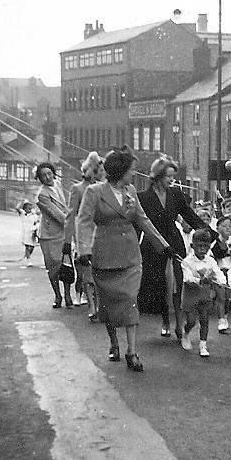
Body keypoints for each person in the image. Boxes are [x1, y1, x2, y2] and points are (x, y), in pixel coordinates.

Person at [76, 146, 174, 372]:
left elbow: (143, 220)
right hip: (104, 254)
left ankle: (132, 351)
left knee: (130, 301)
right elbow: (83, 221)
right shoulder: (95, 192)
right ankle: (114, 343)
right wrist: (83, 250)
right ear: (120, 171)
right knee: (110, 304)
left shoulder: (130, 191)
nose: (134, 174)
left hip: (130, 255)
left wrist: (164, 246)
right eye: (131, 170)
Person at [137, 155, 212, 340]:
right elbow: (138, 224)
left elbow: (190, 216)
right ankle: (165, 320)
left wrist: (210, 233)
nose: (172, 180)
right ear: (157, 176)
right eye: (168, 176)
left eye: (173, 176)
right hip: (153, 243)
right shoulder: (143, 197)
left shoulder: (176, 194)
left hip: (174, 240)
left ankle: (179, 323)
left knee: (180, 282)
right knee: (161, 284)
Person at [64, 151, 104, 319]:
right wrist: (67, 241)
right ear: (91, 170)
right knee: (87, 272)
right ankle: (92, 306)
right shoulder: (77, 189)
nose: (102, 173)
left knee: (100, 272)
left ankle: (99, 304)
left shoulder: (104, 188)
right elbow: (71, 215)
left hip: (101, 234)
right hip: (84, 235)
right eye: (99, 170)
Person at [180, 229, 228, 357]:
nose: (202, 249)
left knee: (205, 319)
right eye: (199, 245)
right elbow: (187, 278)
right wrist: (199, 280)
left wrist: (222, 282)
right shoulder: (187, 261)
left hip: (205, 294)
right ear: (192, 245)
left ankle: (203, 345)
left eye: (206, 246)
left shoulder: (211, 261)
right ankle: (186, 332)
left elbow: (217, 272)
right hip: (191, 294)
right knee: (191, 321)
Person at [35, 162, 71, 308]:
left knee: (67, 264)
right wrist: (72, 224)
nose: (48, 177)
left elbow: (65, 207)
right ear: (40, 178)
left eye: (49, 173)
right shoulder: (42, 194)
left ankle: (68, 294)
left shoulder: (57, 184)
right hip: (49, 235)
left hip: (62, 232)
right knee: (53, 267)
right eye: (44, 175)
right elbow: (55, 214)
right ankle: (58, 295)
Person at [210, 215, 231, 333]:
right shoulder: (215, 242)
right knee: (221, 297)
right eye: (224, 226)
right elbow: (213, 256)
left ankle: (225, 317)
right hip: (220, 270)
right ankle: (221, 320)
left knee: (227, 297)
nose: (227, 228)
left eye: (230, 226)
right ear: (217, 228)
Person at [15, 199, 39, 267]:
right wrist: (22, 201)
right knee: (27, 247)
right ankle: (29, 260)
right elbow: (17, 208)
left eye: (30, 208)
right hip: (25, 233)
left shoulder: (34, 215)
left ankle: (28, 255)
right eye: (28, 208)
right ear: (25, 209)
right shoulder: (23, 214)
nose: (30, 209)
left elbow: (37, 222)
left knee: (31, 247)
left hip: (32, 233)